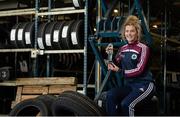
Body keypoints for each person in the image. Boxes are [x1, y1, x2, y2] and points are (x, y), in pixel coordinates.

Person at [105, 15, 156, 116]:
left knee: (127, 105)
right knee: (110, 95)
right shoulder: (122, 49)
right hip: (130, 86)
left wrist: (120, 71)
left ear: (137, 32)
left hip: (145, 85)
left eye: (132, 31)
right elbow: (115, 63)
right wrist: (109, 55)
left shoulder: (143, 48)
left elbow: (139, 70)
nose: (129, 34)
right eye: (127, 31)